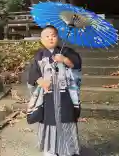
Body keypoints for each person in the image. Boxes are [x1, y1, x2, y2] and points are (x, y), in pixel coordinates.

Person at [27, 25, 82, 156]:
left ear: (58, 38)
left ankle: (67, 150)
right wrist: (41, 81)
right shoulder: (39, 55)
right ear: (41, 39)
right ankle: (50, 149)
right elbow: (32, 73)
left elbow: (76, 65)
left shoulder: (67, 52)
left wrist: (64, 59)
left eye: (53, 35)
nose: (51, 38)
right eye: (47, 36)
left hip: (65, 94)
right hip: (48, 94)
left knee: (66, 119)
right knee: (49, 120)